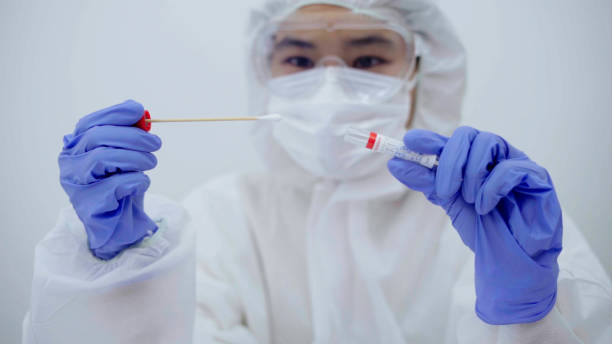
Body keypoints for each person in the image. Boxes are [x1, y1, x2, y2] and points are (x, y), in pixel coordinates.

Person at [23, 1, 612, 343]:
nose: (330, 85)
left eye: (368, 57)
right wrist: (122, 279)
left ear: (422, 69)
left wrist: (529, 320)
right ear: (266, 71)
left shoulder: (493, 216)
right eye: (300, 59)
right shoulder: (223, 217)